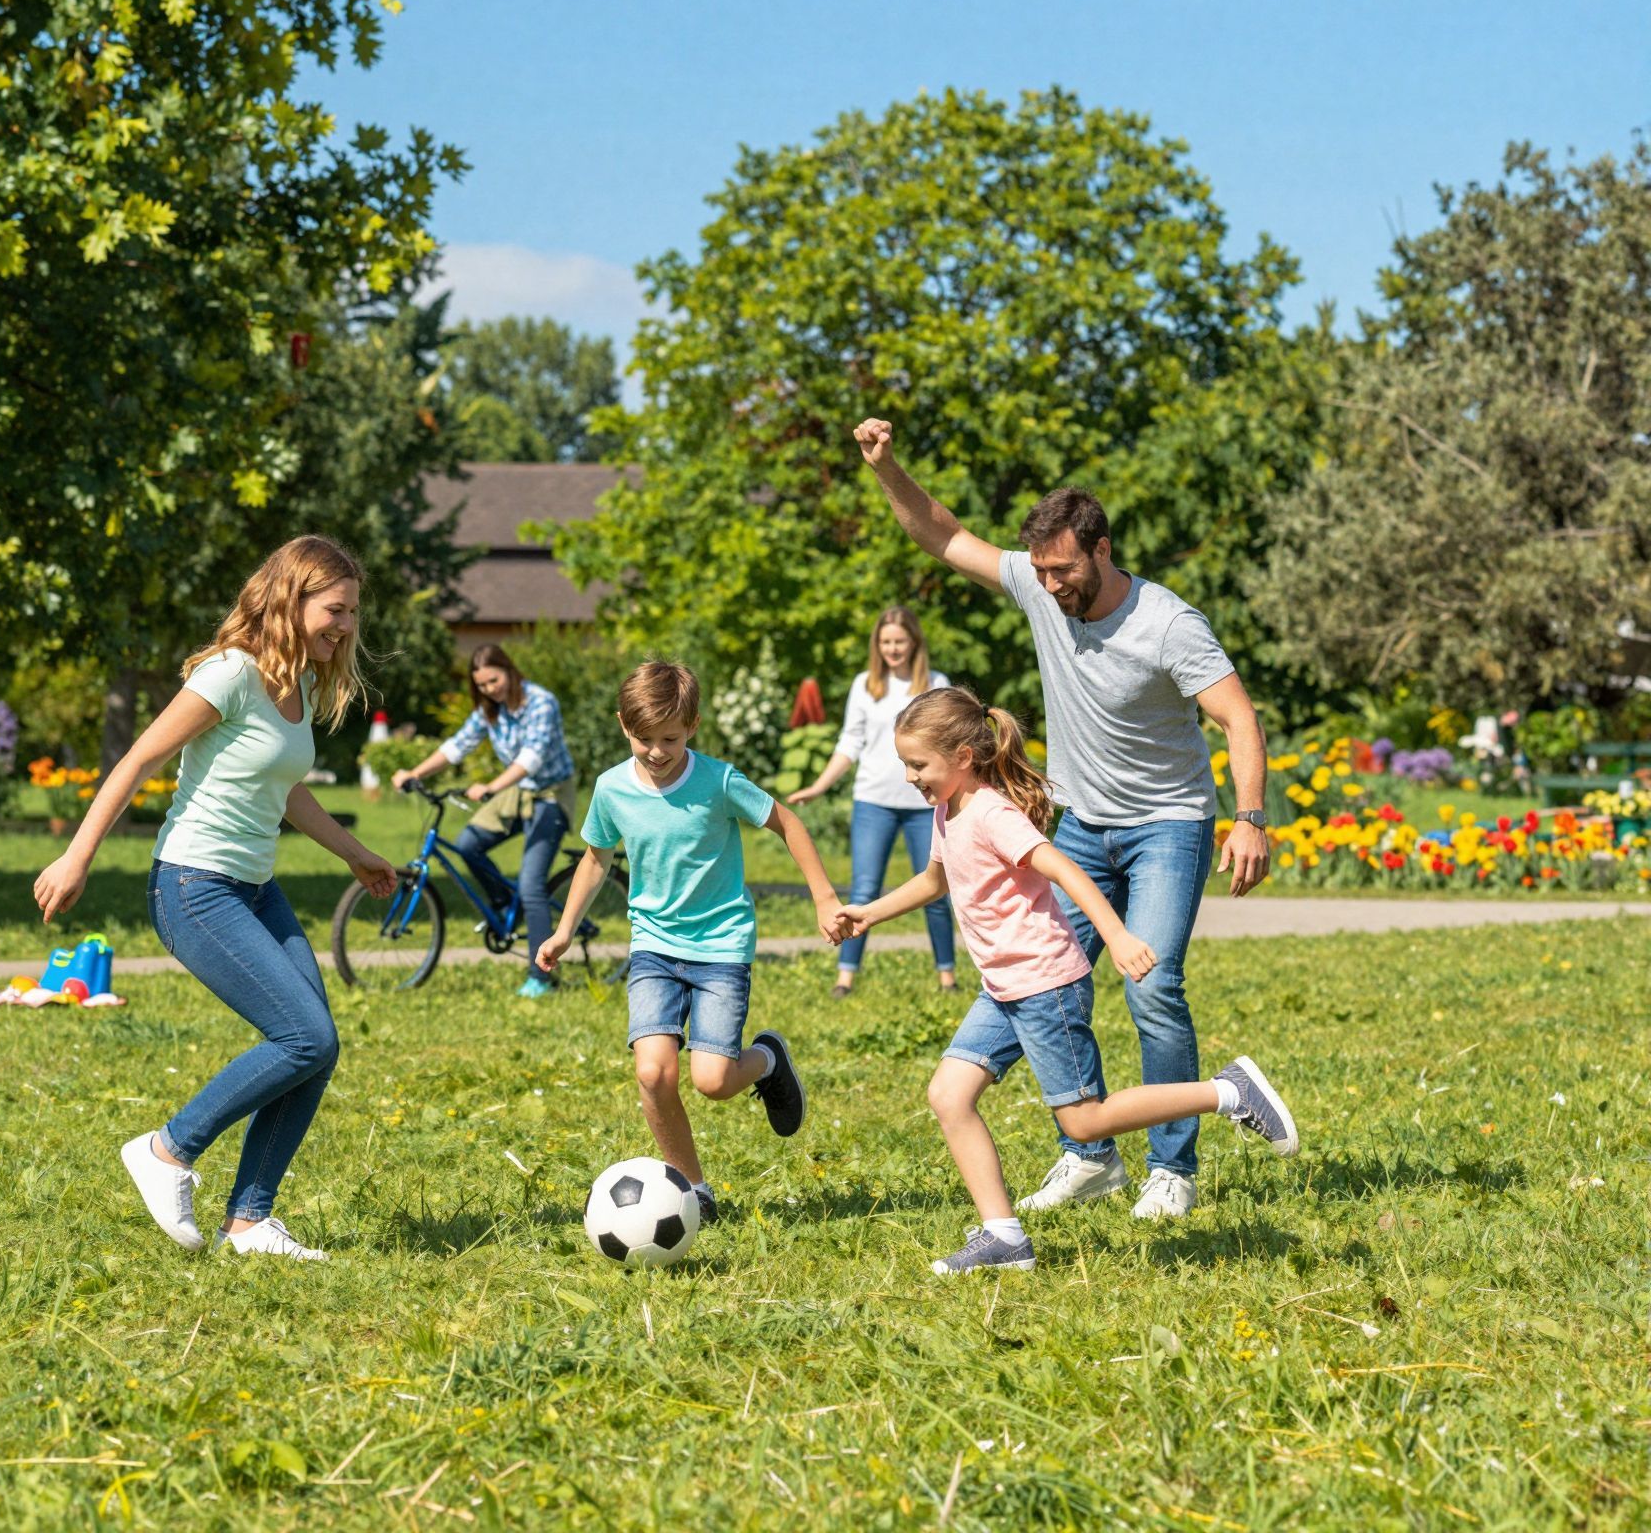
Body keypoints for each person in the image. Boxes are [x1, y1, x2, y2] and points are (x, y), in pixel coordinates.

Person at [857, 416, 1270, 1222]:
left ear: (1102, 552)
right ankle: (1089, 1155)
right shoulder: (1041, 590)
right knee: (1040, 978)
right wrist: (887, 469)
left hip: (1167, 825)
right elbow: (943, 536)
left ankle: (1172, 1168)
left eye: (1064, 571)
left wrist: (1249, 818)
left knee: (1152, 984)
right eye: (1040, 571)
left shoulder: (1168, 623)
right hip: (1081, 820)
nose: (1049, 587)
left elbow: (1240, 720)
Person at [834, 686, 1298, 1274]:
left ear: (963, 758)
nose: (909, 776)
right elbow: (934, 881)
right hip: (1003, 987)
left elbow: (1064, 869)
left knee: (1084, 1120)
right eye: (905, 763)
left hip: (1045, 984)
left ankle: (1228, 1092)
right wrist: (867, 913)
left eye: (918, 764)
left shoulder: (993, 814)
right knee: (948, 1095)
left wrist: (1119, 936)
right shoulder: (946, 810)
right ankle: (1004, 1237)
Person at [34, 535, 398, 1263]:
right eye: (336, 608)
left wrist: (356, 854)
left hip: (255, 889)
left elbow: (286, 790)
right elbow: (140, 758)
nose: (347, 625)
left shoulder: (297, 689)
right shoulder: (232, 672)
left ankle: (250, 1221)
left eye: (354, 611)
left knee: (315, 1048)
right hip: (194, 887)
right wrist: (77, 856)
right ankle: (167, 1151)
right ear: (291, 599)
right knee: (305, 1036)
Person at [538, 660, 842, 1224]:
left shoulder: (719, 781)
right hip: (653, 944)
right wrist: (562, 929)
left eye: (670, 739)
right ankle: (693, 1189)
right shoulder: (611, 788)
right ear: (623, 726)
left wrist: (824, 897)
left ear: (694, 725)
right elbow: (596, 858)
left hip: (721, 945)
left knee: (713, 1081)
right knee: (654, 1072)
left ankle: (768, 1059)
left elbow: (789, 824)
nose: (656, 751)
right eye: (644, 738)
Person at [788, 605, 958, 998]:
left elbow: (947, 745)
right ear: (876, 645)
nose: (893, 649)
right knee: (864, 890)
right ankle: (846, 975)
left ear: (914, 642)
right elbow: (850, 743)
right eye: (885, 642)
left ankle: (947, 976)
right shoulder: (865, 684)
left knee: (935, 891)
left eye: (899, 641)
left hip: (926, 805)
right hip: (873, 801)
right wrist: (819, 785)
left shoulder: (936, 683)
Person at [389, 645, 576, 999]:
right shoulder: (489, 710)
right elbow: (456, 747)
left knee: (533, 884)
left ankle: (541, 977)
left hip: (550, 794)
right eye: (483, 685)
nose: (490, 688)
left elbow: (531, 759)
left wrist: (490, 787)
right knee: (467, 844)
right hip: (515, 791)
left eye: (494, 679)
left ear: (509, 670)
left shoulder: (541, 702)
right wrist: (415, 773)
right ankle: (507, 904)